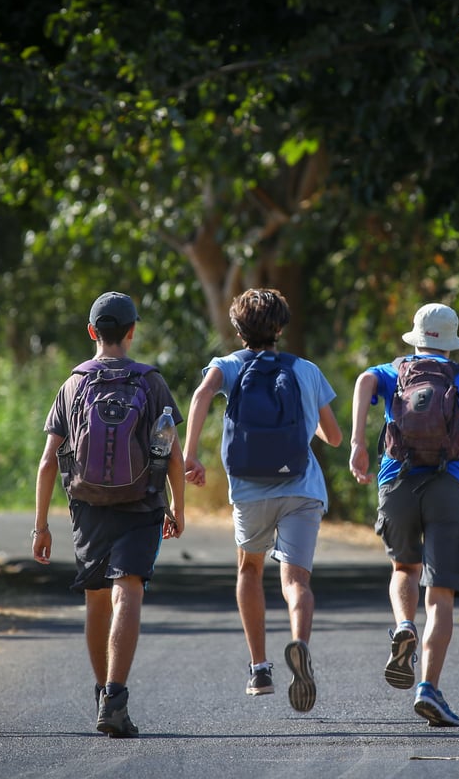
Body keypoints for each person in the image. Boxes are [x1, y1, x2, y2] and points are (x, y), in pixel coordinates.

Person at [32, 291, 185, 739]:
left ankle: (102, 692)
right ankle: (115, 698)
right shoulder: (151, 382)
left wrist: (41, 526)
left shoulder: (74, 383)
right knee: (128, 591)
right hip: (142, 504)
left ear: (92, 332)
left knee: (97, 596)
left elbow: (48, 460)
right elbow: (171, 453)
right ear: (132, 331)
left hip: (87, 506)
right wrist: (178, 506)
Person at [182, 288, 342, 713]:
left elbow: (200, 395)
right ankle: (300, 647)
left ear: (238, 331)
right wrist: (312, 424)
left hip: (250, 490)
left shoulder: (228, 366)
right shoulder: (306, 370)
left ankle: (259, 668)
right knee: (297, 582)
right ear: (281, 328)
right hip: (302, 488)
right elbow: (335, 436)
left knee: (250, 569)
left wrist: (190, 454)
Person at [349, 302, 459, 728]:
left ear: (417, 336)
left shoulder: (394, 372)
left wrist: (356, 442)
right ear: (452, 339)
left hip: (397, 481)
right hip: (447, 484)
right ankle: (428, 688)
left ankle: (404, 624)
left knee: (403, 567)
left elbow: (364, 379)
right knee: (440, 591)